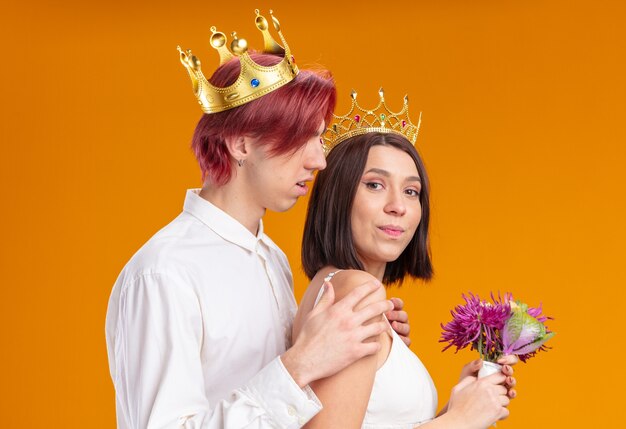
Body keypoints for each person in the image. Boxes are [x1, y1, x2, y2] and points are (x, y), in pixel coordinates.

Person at [105, 11, 411, 429]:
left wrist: (373, 351)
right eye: (303, 139)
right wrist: (300, 363)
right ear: (240, 143)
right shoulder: (165, 273)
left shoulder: (271, 259)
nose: (319, 159)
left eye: (320, 139)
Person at [293, 90, 518, 428]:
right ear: (337, 197)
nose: (397, 205)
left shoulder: (336, 288)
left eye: (411, 191)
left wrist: (455, 407)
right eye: (374, 185)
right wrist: (460, 421)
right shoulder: (357, 290)